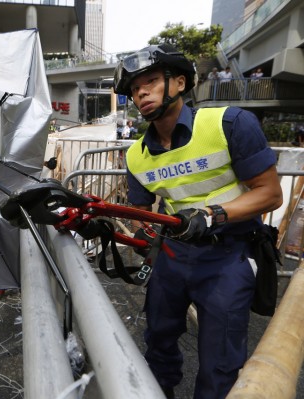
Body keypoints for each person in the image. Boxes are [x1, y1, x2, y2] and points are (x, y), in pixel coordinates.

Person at [113, 44, 282, 399]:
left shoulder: (230, 123)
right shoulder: (135, 155)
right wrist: (109, 224)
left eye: (151, 82)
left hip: (228, 255)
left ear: (178, 83)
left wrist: (213, 214)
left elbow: (270, 194)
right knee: (157, 341)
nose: (140, 92)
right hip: (173, 256)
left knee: (219, 362)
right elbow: (143, 214)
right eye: (133, 89)